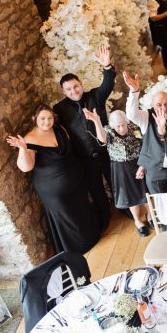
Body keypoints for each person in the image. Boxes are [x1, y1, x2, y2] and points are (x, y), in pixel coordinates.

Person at [7, 105, 101, 254]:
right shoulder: (29, 139)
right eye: (42, 118)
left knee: (82, 210)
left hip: (76, 182)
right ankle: (77, 249)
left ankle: (92, 237)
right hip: (54, 191)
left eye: (49, 118)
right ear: (34, 119)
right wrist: (23, 150)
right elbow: (26, 167)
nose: (47, 121)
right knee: (67, 217)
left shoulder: (59, 129)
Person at [52, 43, 114, 231]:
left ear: (81, 84)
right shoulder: (59, 109)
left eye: (76, 87)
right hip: (85, 159)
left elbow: (108, 83)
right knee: (97, 192)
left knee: (116, 184)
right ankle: (105, 220)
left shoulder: (95, 96)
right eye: (69, 89)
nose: (74, 91)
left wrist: (107, 66)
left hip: (107, 152)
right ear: (64, 91)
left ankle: (129, 211)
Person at [85, 109, 149, 237]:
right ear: (113, 126)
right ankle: (138, 221)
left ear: (126, 121)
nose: (121, 128)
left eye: (123, 124)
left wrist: (143, 164)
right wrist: (96, 121)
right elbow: (102, 139)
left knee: (146, 191)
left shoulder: (134, 127)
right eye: (118, 126)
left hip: (139, 163)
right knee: (131, 196)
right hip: (121, 168)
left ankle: (151, 215)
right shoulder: (108, 131)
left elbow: (144, 145)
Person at [123, 71, 167, 195]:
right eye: (159, 105)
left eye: (166, 104)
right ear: (152, 106)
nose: (163, 108)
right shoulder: (147, 116)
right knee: (163, 207)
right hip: (156, 170)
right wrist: (134, 92)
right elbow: (131, 114)